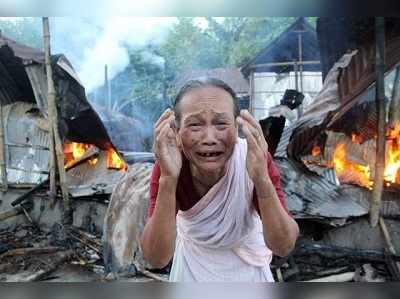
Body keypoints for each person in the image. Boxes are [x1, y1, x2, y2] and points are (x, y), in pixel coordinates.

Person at [140, 78, 299, 282]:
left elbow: (283, 246)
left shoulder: (252, 156)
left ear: (237, 127)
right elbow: (156, 258)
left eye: (221, 123)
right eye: (195, 125)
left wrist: (261, 179)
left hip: (248, 274)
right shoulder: (170, 163)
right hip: (192, 270)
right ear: (177, 132)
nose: (209, 138)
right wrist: (169, 181)